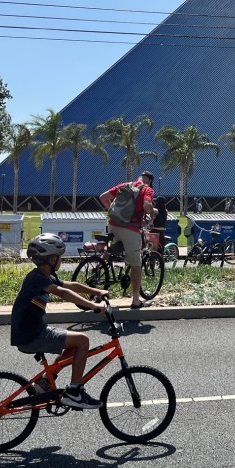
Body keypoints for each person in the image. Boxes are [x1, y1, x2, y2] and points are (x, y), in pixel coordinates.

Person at [10, 234, 109, 410]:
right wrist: (93, 305)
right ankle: (74, 392)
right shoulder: (37, 279)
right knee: (83, 340)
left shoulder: (44, 275)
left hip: (33, 331)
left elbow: (70, 286)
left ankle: (46, 381)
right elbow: (63, 293)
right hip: (31, 335)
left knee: (74, 344)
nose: (61, 260)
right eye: (60, 257)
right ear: (52, 259)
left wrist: (97, 290)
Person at [99, 171, 155, 309]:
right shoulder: (147, 189)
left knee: (110, 252)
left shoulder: (125, 185)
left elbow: (103, 197)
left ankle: (96, 272)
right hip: (131, 229)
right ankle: (136, 300)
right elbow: (147, 207)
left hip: (113, 225)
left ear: (139, 178)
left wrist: (113, 211)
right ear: (149, 181)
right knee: (136, 263)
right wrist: (153, 211)